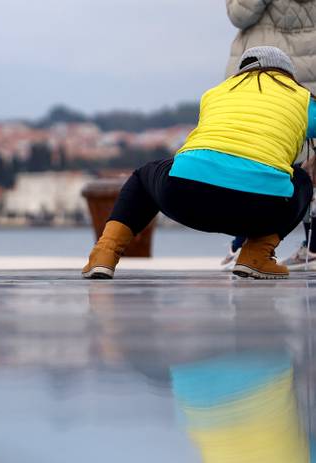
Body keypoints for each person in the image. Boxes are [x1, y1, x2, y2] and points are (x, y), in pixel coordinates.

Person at [83, 46, 316, 280]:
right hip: (261, 207)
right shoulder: (301, 98)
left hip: (185, 195)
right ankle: (256, 256)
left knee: (144, 176)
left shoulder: (215, 93)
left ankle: (103, 254)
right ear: (288, 75)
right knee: (302, 180)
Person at [221, 0, 316, 270]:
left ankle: (245, 242)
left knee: (259, 154)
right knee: (308, 155)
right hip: (310, 61)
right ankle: (313, 244)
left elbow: (241, 13)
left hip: (268, 67)